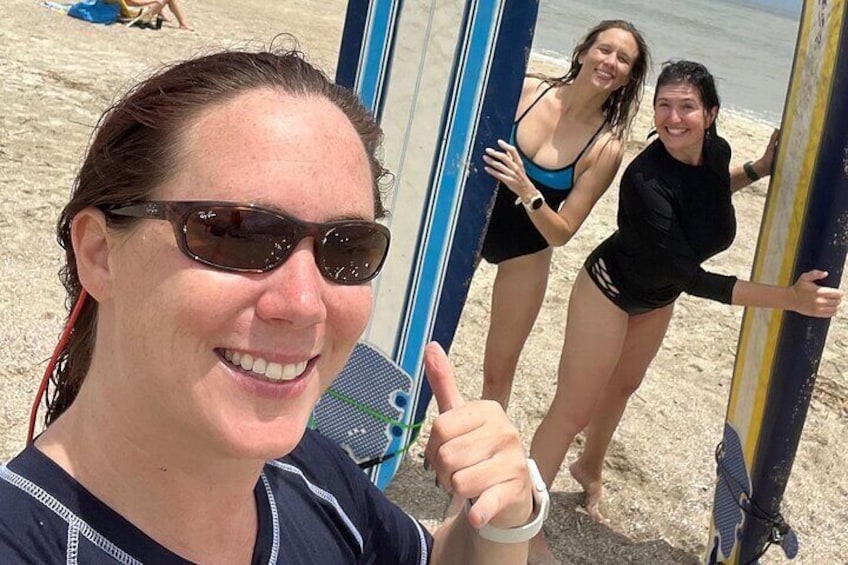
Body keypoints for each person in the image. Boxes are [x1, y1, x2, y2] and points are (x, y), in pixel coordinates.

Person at [0, 47, 545, 564]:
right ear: (99, 254)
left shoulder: (310, 474)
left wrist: (500, 521)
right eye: (237, 236)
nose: (305, 303)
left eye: (346, 247)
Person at [526, 60, 843, 563]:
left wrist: (760, 168)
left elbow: (707, 199)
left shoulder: (716, 152)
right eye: (663, 106)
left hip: (656, 297)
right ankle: (522, 520)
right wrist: (790, 298)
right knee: (572, 409)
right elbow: (694, 279)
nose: (673, 118)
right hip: (608, 288)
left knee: (624, 386)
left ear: (711, 113)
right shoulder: (645, 180)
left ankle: (589, 468)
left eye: (687, 107)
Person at [478, 20, 650, 410]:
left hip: (527, 250)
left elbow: (562, 232)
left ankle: (476, 459)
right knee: (430, 334)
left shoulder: (604, 148)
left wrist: (527, 190)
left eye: (623, 60)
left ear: (628, 79)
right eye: (604, 49)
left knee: (498, 371)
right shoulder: (527, 90)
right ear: (583, 51)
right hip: (470, 228)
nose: (610, 62)